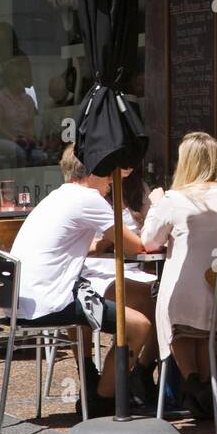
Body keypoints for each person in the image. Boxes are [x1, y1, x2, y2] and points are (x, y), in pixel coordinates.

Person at [11, 146, 153, 416]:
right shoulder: (89, 199)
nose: (112, 180)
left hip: (21, 300)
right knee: (138, 326)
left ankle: (92, 378)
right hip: (50, 302)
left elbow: (80, 246)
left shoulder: (59, 196)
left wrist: (104, 241)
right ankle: (103, 400)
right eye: (108, 172)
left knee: (94, 293)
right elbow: (137, 247)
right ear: (94, 170)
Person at [140, 131, 217, 421]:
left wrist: (156, 202)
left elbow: (150, 241)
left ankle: (192, 380)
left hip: (190, 303)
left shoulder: (174, 199)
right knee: (202, 318)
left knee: (172, 312)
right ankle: (205, 389)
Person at [80, 162, 158, 401]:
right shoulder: (92, 192)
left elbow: (151, 234)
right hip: (95, 271)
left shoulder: (139, 189)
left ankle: (143, 369)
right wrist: (102, 244)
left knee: (164, 302)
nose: (127, 164)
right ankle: (95, 375)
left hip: (132, 269)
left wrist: (157, 207)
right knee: (150, 301)